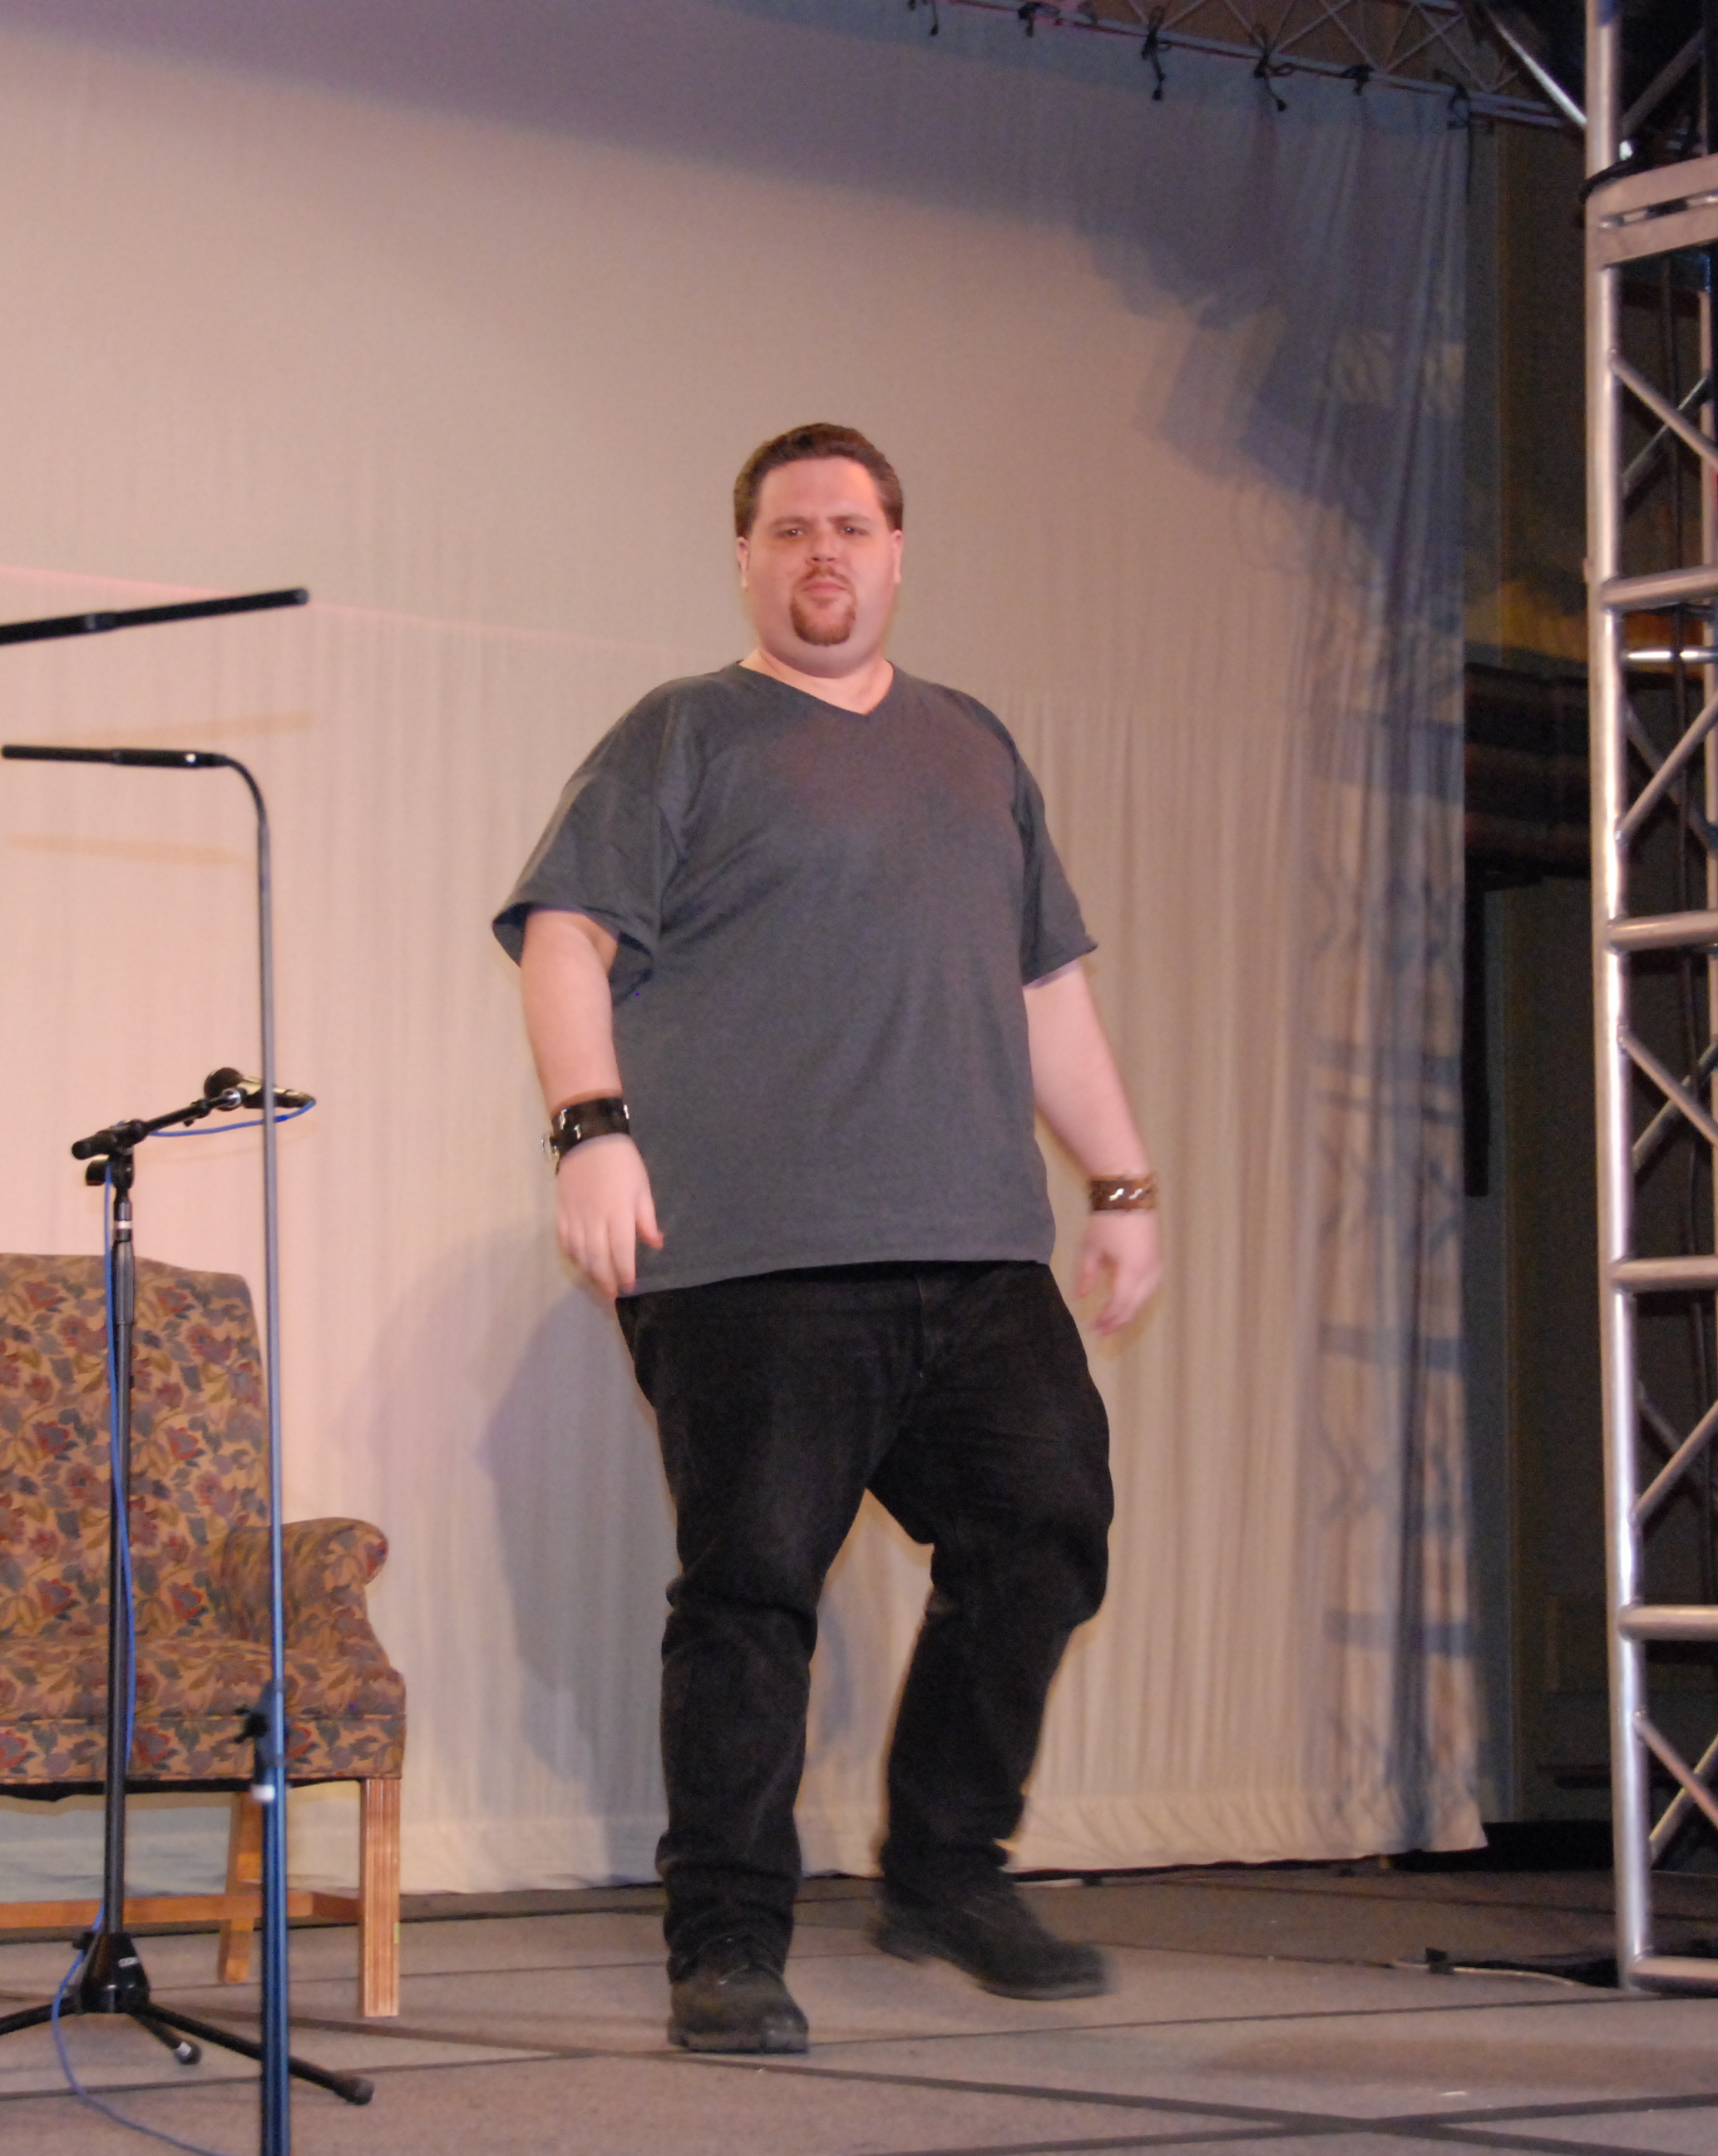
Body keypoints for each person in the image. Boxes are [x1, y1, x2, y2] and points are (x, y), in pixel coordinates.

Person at [494, 424, 1161, 2055]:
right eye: (790, 530)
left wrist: (1123, 1184)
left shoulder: (974, 745)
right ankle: (726, 1941)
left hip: (973, 1245)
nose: (822, 556)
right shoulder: (684, 733)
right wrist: (589, 1129)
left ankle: (944, 1871)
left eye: (850, 528)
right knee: (753, 1590)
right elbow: (565, 937)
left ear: (897, 551)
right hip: (752, 1255)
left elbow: (1045, 990)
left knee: (1045, 1526)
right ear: (745, 558)